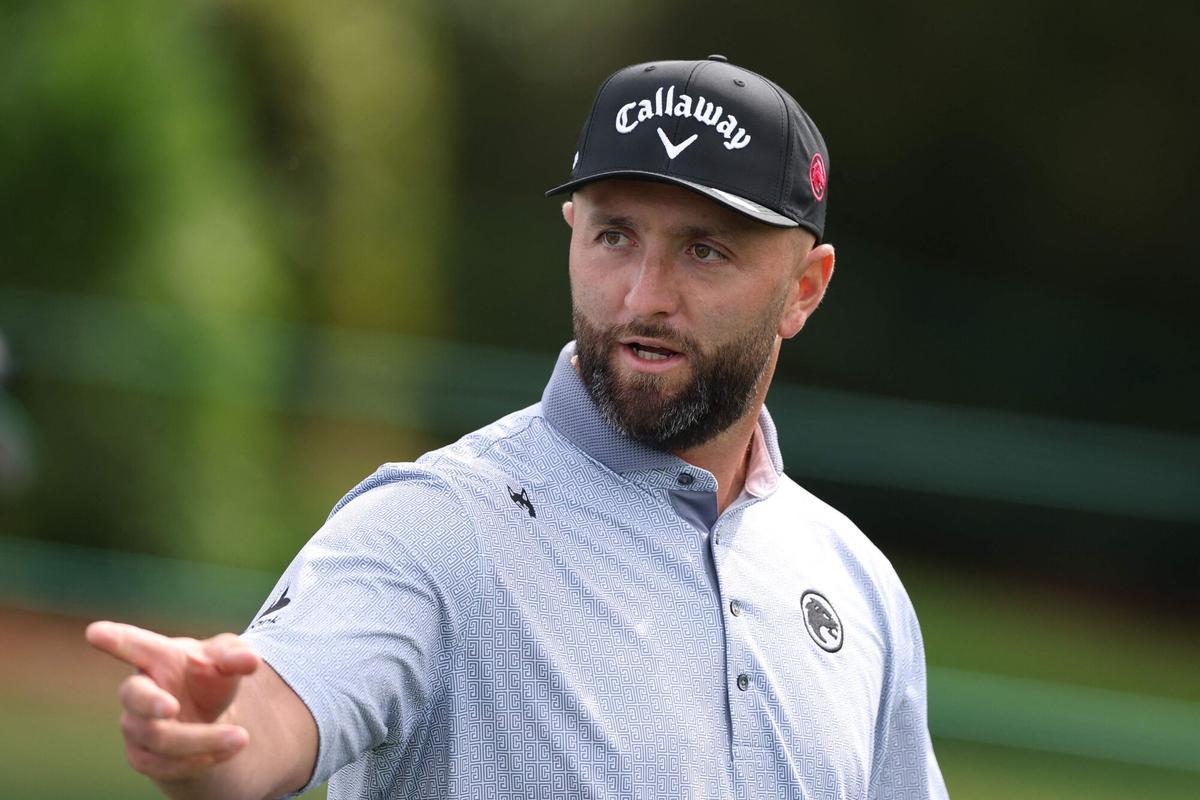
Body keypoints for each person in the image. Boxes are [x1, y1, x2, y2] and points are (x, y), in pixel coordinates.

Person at [87, 55, 948, 800]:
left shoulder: (855, 581)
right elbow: (279, 709)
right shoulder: (432, 525)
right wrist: (215, 740)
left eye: (705, 250)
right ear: (572, 232)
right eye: (615, 236)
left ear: (805, 287)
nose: (645, 295)